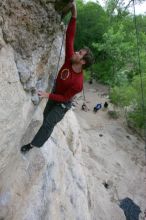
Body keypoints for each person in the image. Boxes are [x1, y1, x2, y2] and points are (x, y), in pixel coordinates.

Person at [21, 1, 94, 153]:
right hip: (55, 92)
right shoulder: (69, 59)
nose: (76, 52)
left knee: (48, 123)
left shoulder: (78, 83)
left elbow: (65, 98)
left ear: (83, 62)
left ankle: (32, 145)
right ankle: (42, 134)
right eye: (78, 51)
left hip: (62, 104)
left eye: (79, 54)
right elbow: (70, 37)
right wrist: (74, 15)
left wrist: (48, 95)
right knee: (45, 115)